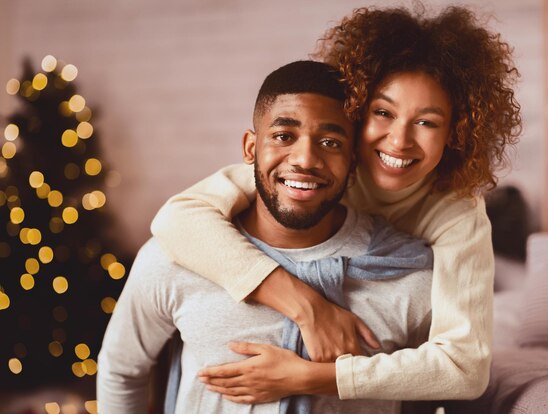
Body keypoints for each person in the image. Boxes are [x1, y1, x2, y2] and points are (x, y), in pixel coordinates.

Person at [151, 4, 522, 404]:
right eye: (383, 112)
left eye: (427, 122)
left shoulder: (458, 212)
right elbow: (177, 218)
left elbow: (465, 369)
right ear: (357, 111)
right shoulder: (317, 170)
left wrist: (312, 377)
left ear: (456, 132)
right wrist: (307, 306)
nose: (399, 141)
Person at [97, 61, 434, 414]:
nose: (305, 159)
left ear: (352, 164)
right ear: (250, 148)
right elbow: (121, 371)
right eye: (284, 136)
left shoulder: (408, 277)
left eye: (330, 142)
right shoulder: (174, 259)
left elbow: (427, 398)